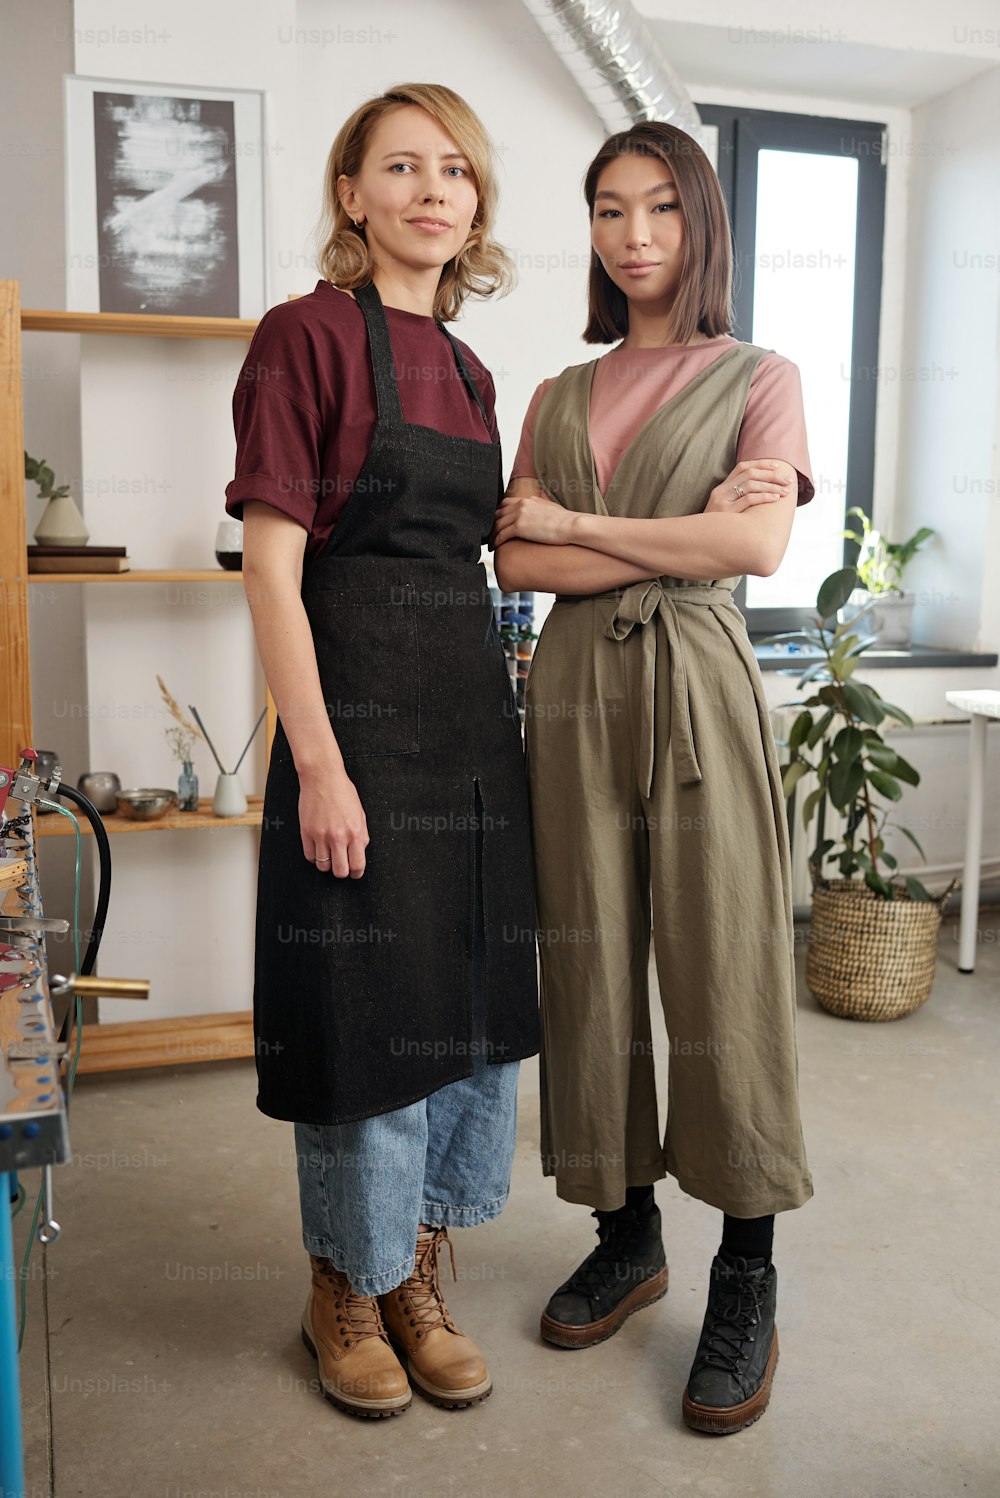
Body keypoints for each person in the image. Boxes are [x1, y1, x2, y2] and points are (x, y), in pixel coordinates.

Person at [492, 120, 814, 1435]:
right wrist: (639, 540)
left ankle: (747, 1270)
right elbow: (517, 566)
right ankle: (626, 1232)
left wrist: (579, 525)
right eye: (609, 210)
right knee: (588, 957)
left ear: (702, 226)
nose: (633, 235)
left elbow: (756, 541)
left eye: (661, 209)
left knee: (724, 958)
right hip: (569, 694)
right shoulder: (556, 397)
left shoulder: (762, 374)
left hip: (698, 685)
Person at [225, 83, 539, 1421]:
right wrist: (321, 761)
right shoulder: (301, 339)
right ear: (352, 195)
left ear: (474, 208)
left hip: (471, 731)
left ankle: (414, 1266)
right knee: (361, 1014)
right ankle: (342, 1287)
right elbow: (271, 573)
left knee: (462, 1007)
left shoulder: (472, 372)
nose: (431, 189)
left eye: (455, 170)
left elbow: (507, 553)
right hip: (351, 722)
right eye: (399, 166)